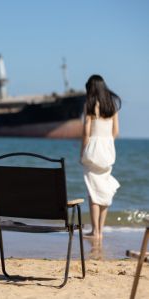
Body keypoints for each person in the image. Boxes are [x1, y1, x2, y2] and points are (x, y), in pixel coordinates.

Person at [80, 74, 121, 239]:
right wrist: (107, 142)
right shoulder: (111, 106)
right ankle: (100, 231)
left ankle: (95, 231)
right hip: (108, 149)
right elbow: (116, 132)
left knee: (93, 191)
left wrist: (82, 151)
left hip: (93, 150)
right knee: (103, 190)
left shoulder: (89, 105)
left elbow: (85, 133)